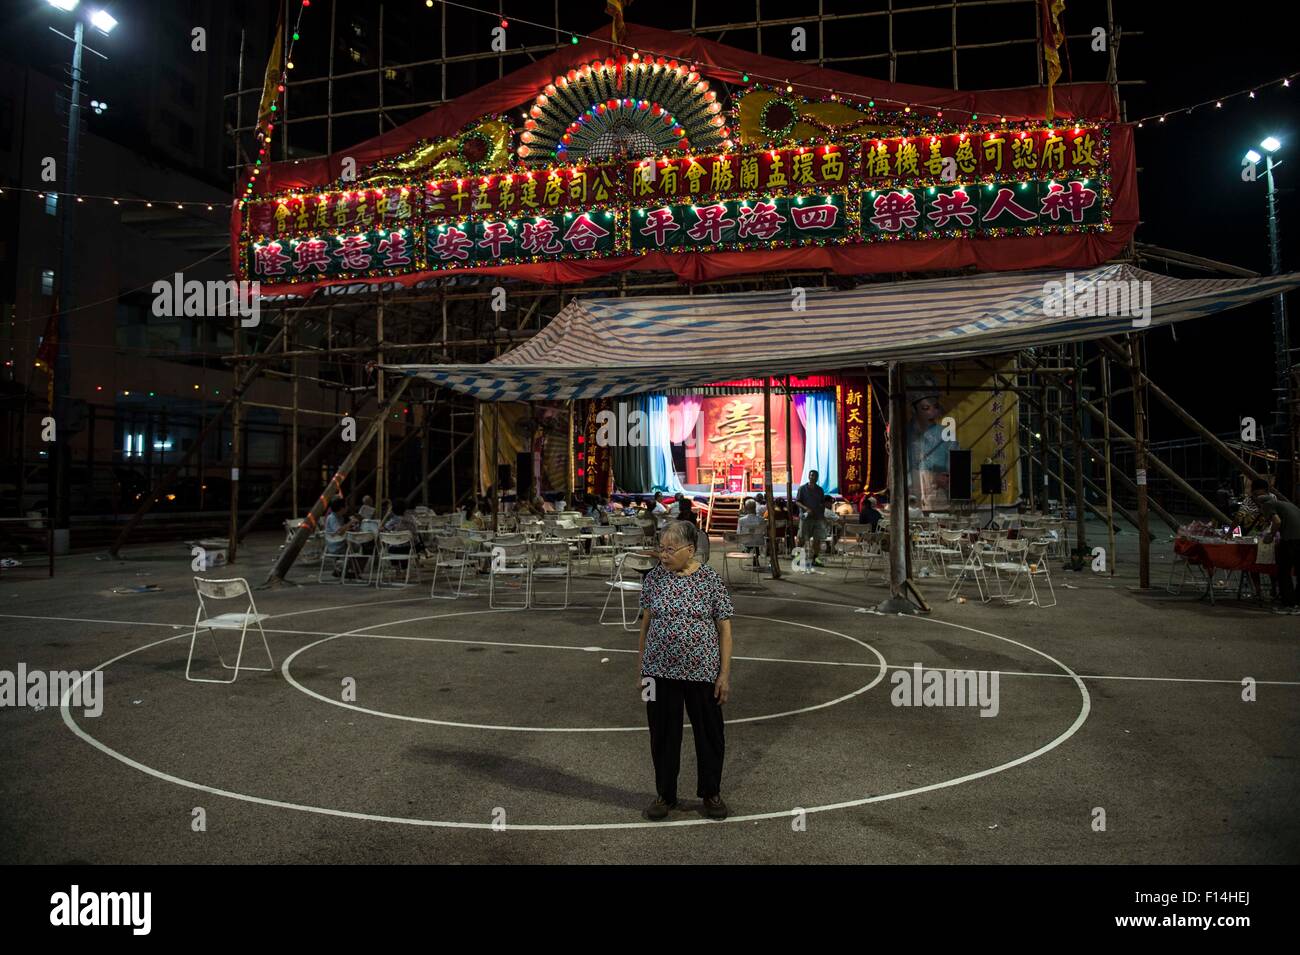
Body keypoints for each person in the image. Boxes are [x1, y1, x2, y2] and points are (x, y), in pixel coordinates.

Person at [637, 520, 734, 821]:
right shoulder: (654, 578)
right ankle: (665, 794)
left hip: (702, 671)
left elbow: (725, 630)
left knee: (710, 734)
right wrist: (643, 669)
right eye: (661, 549)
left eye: (670, 550)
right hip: (659, 671)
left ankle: (711, 793)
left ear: (690, 550)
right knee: (663, 735)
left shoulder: (710, 580)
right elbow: (646, 624)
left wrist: (724, 674)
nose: (663, 555)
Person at [1252, 479, 1300, 614]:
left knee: (1284, 572)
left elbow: (1277, 521)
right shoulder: (1284, 503)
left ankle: (1289, 605)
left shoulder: (1266, 505)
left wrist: (1271, 536)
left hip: (1290, 539)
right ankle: (1297, 604)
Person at [795, 470, 829, 566]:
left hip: (817, 518)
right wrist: (806, 508)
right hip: (805, 518)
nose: (812, 477)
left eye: (814, 475)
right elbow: (797, 501)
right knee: (801, 538)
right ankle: (798, 558)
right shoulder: (802, 489)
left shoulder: (820, 490)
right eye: (811, 475)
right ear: (808, 476)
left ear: (817, 478)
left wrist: (822, 515)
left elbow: (822, 503)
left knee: (817, 540)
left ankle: (815, 559)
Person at [736, 499, 766, 568]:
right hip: (759, 541)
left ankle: (748, 550)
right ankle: (756, 556)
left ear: (745, 508)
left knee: (751, 539)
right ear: (755, 507)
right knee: (756, 540)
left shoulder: (741, 520)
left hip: (746, 541)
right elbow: (763, 531)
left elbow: (738, 532)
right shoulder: (761, 519)